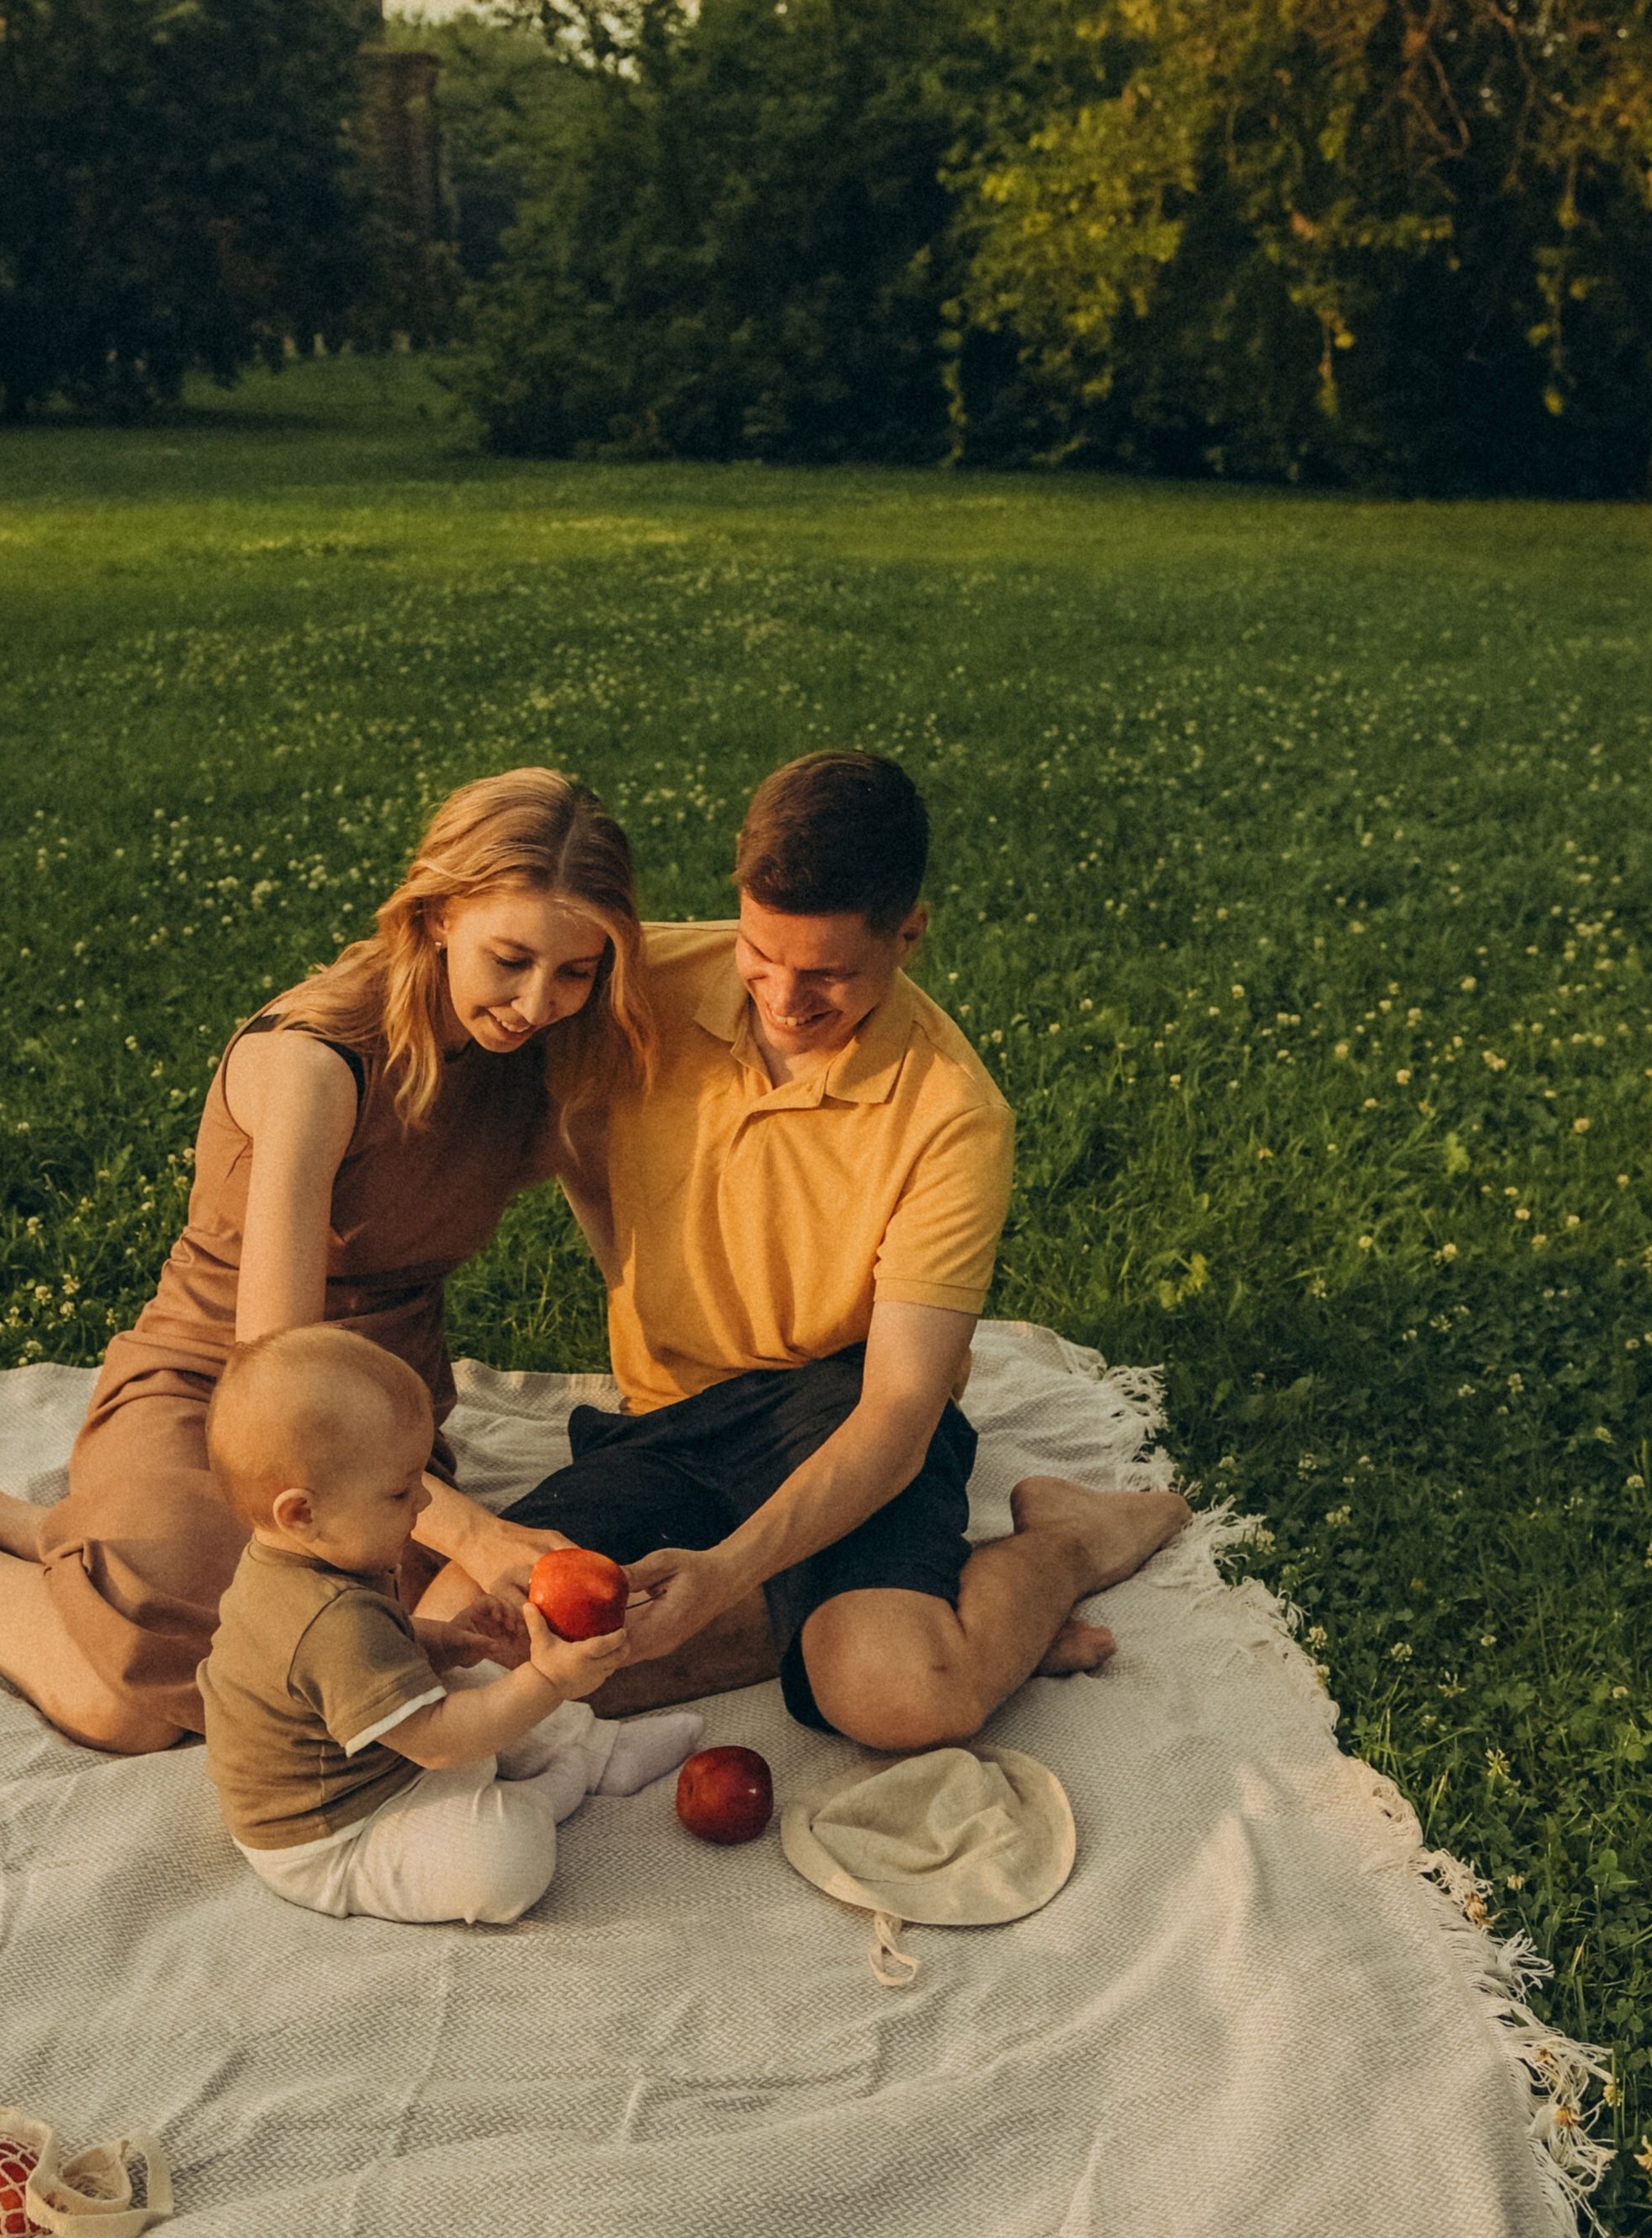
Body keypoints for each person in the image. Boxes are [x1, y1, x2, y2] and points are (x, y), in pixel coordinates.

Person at [0, 769, 654, 1753]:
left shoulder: (551, 1051)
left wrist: (676, 1378)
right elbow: (275, 1377)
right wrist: (471, 1531)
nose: (538, 1000)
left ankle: (33, 1528)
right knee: (132, 1706)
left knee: (393, 1659)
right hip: (222, 1386)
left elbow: (621, 1243)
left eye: (576, 970)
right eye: (511, 958)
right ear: (437, 912)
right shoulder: (318, 1061)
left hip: (385, 1416)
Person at [422, 750, 1190, 1752]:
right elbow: (448, 958)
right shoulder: (630, 979)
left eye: (827, 972)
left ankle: (1066, 1543)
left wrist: (725, 1573)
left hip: (840, 1406)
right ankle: (867, 1612)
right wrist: (629, 1268)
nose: (783, 998)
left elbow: (900, 1414)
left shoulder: (952, 1117)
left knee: (901, 1704)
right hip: (673, 1418)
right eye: (759, 953)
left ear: (908, 934)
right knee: (469, 1641)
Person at [202, 1326, 699, 1924]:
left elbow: (375, 1648)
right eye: (399, 1493)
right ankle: (537, 1799)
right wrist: (550, 1680)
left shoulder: (306, 1560)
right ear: (303, 1513)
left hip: (374, 1754)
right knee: (505, 1860)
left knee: (481, 1676)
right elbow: (439, 1743)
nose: (424, 1506)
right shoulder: (326, 1620)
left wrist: (447, 1640)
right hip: (340, 1831)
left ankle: (601, 1754)